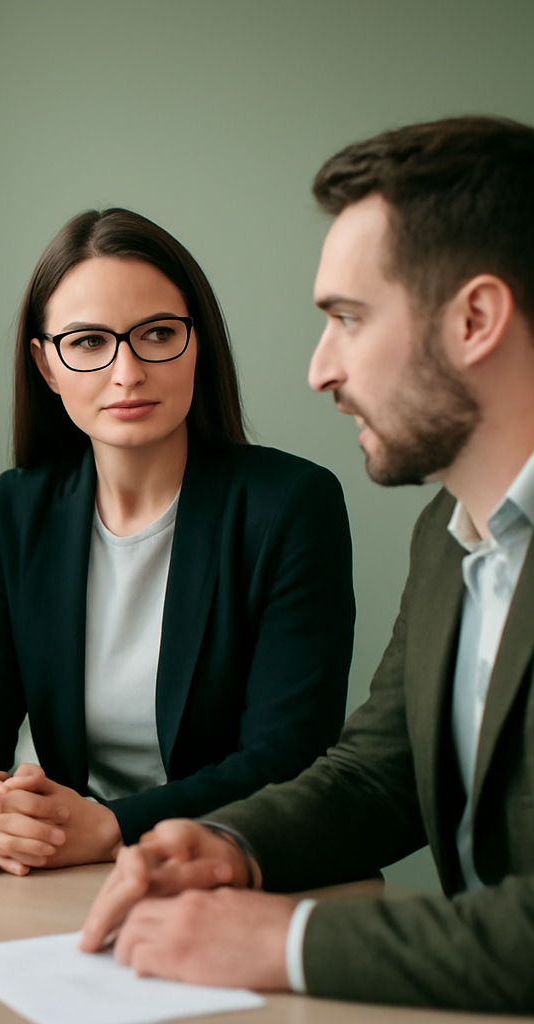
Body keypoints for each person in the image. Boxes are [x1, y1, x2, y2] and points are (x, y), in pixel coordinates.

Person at [79, 116, 534, 1014]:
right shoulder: (449, 531)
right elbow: (380, 773)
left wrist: (283, 940)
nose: (320, 368)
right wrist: (229, 843)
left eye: (349, 319)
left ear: (475, 319)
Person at [0, 208, 355, 874]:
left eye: (158, 334)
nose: (127, 371)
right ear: (46, 365)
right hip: (69, 878)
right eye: (88, 342)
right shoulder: (16, 511)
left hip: (232, 874)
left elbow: (287, 762)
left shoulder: (291, 505)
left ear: (198, 343)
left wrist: (113, 827)